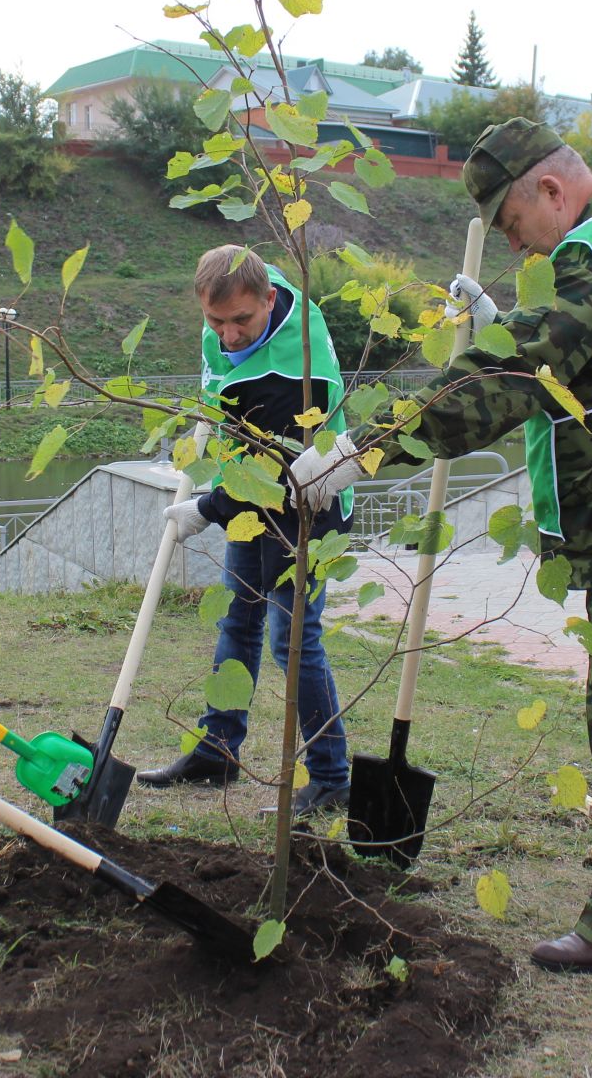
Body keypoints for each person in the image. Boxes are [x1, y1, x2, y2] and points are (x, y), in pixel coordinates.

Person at [289, 119, 592, 972]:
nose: (516, 245)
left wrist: (360, 447)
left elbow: (515, 376)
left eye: (514, 227)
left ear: (551, 191)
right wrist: (513, 318)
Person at [142, 245, 354, 817]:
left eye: (242, 321)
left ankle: (332, 776)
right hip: (248, 493)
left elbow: (272, 476)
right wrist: (206, 427)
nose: (229, 336)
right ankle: (218, 750)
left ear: (269, 300)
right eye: (216, 322)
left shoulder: (293, 370)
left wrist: (205, 508)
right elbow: (220, 383)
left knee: (294, 640)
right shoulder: (245, 290)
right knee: (238, 622)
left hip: (305, 504)